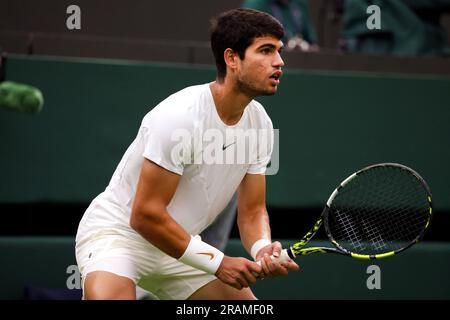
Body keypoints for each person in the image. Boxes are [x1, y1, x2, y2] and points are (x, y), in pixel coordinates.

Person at [75, 8, 299, 300]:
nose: (279, 62)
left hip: (179, 246)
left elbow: (253, 211)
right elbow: (144, 216)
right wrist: (218, 263)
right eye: (266, 51)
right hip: (119, 237)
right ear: (232, 58)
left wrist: (262, 247)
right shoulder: (179, 116)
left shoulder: (263, 125)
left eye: (279, 51)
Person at [242, 0, 319, 52]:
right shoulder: (256, 4)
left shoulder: (299, 3)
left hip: (301, 62)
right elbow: (248, 45)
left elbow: (313, 45)